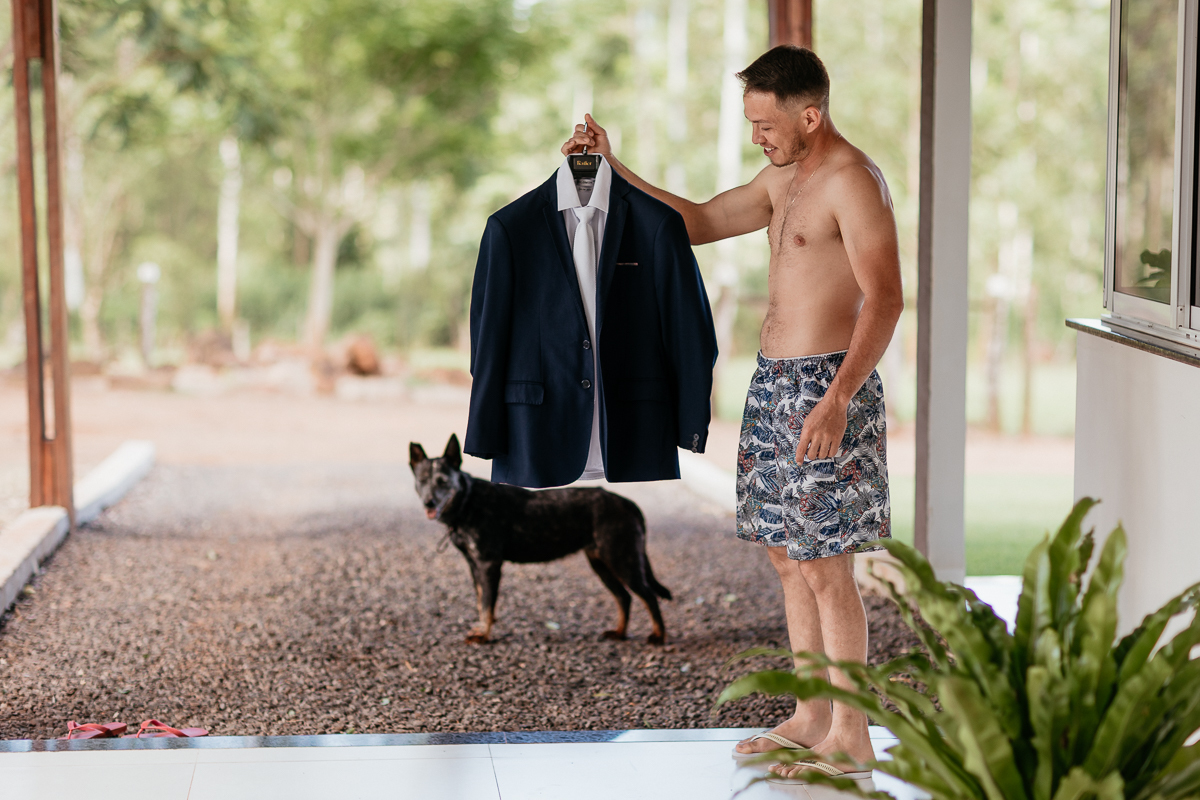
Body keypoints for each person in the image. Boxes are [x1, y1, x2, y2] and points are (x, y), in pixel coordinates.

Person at [561, 45, 902, 780]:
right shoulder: (782, 178)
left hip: (827, 391)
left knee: (826, 566)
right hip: (774, 386)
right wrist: (613, 167)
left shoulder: (853, 182)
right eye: (751, 123)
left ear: (810, 116)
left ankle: (852, 735)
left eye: (766, 124)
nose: (757, 137)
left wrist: (839, 399)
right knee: (786, 556)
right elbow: (698, 221)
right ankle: (812, 715)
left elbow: (886, 300)